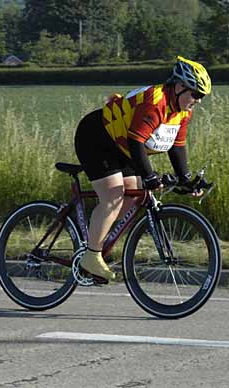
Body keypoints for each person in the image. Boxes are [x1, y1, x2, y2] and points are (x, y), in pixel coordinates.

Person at [74, 56, 212, 281]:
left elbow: (177, 147)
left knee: (131, 197)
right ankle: (91, 257)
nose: (198, 100)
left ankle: (93, 238)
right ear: (179, 87)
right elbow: (137, 141)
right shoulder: (156, 101)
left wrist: (186, 180)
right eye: (195, 94)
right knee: (113, 197)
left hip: (121, 147)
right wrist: (149, 176)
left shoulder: (182, 111)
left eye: (202, 96)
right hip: (97, 137)